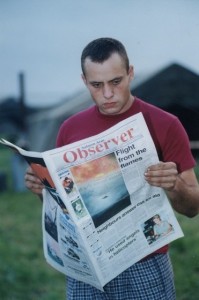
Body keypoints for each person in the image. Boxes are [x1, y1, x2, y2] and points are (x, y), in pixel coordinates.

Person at [25, 37, 199, 300]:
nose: (107, 94)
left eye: (116, 82)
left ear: (130, 74)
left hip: (145, 263)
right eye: (96, 85)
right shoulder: (70, 129)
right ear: (84, 81)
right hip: (89, 269)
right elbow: (65, 210)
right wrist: (43, 190)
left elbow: (193, 208)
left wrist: (174, 184)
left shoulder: (165, 124)